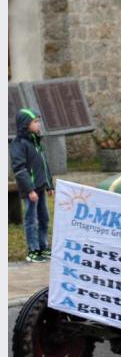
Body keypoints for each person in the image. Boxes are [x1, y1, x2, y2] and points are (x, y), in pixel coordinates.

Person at [11, 109, 54, 263]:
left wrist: (49, 185)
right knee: (31, 219)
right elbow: (20, 169)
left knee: (44, 218)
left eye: (38, 121)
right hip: (31, 191)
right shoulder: (19, 144)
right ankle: (33, 250)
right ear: (25, 125)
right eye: (35, 122)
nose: (38, 124)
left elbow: (43, 165)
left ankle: (43, 246)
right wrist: (30, 189)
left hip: (41, 188)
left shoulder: (36, 142)